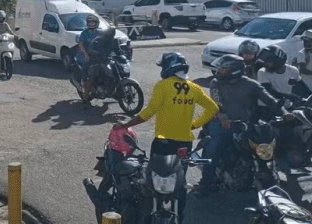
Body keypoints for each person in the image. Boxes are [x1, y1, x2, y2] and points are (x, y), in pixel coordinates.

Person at [114, 52, 218, 219]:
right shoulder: (195, 88)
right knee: (180, 183)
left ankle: (152, 215)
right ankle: (180, 217)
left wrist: (126, 125)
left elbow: (148, 113)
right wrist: (194, 124)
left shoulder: (163, 86)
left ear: (168, 67)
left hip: (163, 143)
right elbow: (213, 108)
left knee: (155, 181)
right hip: (184, 145)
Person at [199, 54, 292, 192]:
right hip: (222, 123)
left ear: (235, 71)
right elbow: (215, 103)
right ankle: (206, 182)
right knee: (214, 147)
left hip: (247, 124)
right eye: (220, 70)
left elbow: (269, 99)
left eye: (223, 70)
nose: (219, 72)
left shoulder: (251, 84)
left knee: (269, 143)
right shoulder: (216, 83)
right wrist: (223, 117)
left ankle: (271, 171)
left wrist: (284, 113)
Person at [83, 26, 121, 98]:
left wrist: (123, 54)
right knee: (93, 76)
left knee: (115, 72)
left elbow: (118, 51)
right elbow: (91, 49)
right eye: (110, 32)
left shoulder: (115, 41)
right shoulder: (98, 40)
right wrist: (96, 53)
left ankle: (112, 89)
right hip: (96, 61)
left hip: (108, 61)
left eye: (113, 32)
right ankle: (86, 95)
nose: (112, 34)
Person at [76, 14, 101, 83]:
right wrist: (86, 55)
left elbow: (102, 43)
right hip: (84, 54)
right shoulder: (84, 33)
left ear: (96, 23)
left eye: (92, 22)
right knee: (86, 64)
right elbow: (81, 45)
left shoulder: (98, 33)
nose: (91, 24)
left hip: (95, 54)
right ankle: (83, 81)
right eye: (89, 22)